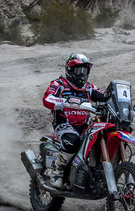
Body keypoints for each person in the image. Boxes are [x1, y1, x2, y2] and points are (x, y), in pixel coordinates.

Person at [41, 53, 107, 188]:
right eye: (79, 70)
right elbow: (47, 99)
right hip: (64, 125)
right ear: (70, 70)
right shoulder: (59, 84)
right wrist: (64, 102)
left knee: (100, 139)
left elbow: (104, 97)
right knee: (72, 140)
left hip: (85, 126)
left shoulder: (89, 87)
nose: (82, 74)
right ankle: (57, 172)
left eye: (85, 70)